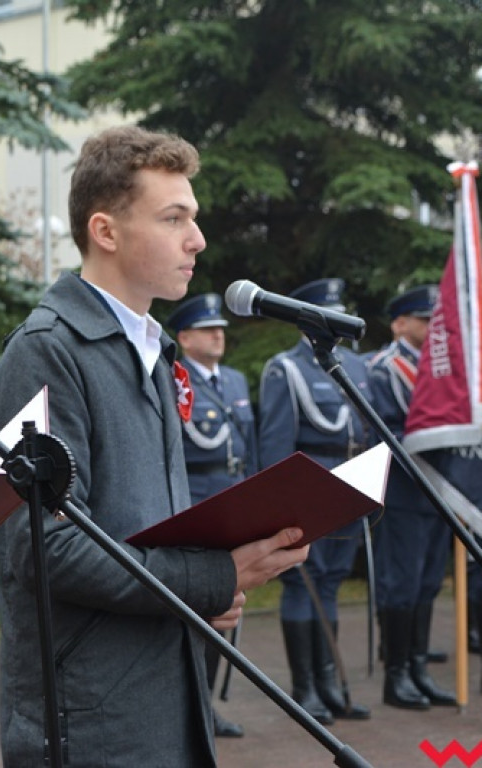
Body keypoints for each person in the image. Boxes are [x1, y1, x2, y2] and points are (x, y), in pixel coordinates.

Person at [0, 124, 309, 766]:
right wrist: (210, 576)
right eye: (174, 218)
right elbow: (42, 547)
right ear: (105, 231)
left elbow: (151, 529)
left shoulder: (154, 350)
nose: (198, 239)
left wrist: (212, 583)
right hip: (92, 716)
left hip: (163, 690)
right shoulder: (46, 350)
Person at [258, 277, 374, 725]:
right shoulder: (285, 369)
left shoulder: (354, 367)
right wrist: (280, 503)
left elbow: (365, 431)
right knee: (303, 582)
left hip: (348, 483)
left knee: (331, 582)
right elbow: (275, 445)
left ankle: (331, 683)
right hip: (306, 488)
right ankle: (304, 689)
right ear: (308, 319)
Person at [166, 292, 258, 739]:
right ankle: (187, 705)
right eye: (206, 329)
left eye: (220, 328)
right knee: (194, 609)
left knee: (224, 607)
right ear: (184, 337)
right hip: (195, 502)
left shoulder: (236, 381)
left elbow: (251, 446)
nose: (218, 335)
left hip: (235, 500)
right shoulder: (174, 379)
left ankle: (206, 704)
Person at [368, 285, 456, 709]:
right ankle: (396, 676)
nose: (430, 326)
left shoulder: (442, 370)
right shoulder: (386, 369)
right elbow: (386, 432)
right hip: (405, 492)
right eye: (423, 319)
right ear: (399, 323)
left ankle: (418, 669)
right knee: (400, 585)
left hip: (441, 491)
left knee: (427, 584)